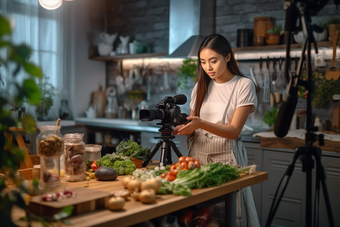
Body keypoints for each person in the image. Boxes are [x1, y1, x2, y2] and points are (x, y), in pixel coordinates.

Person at [172, 34, 260, 227]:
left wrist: (201, 123)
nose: (208, 67)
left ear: (227, 57)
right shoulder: (200, 86)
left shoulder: (243, 85)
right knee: (200, 216)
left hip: (227, 161)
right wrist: (184, 129)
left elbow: (234, 131)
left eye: (213, 61)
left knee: (230, 216)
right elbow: (194, 127)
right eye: (203, 62)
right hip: (197, 160)